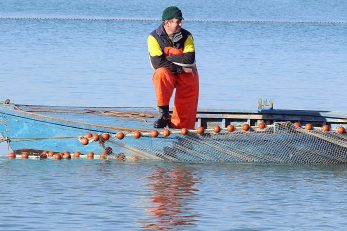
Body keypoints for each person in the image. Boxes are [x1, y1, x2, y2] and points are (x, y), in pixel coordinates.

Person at [147, 6, 199, 129]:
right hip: (175, 70)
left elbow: (189, 59)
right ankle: (164, 114)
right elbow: (157, 64)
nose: (180, 23)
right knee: (160, 73)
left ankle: (181, 130)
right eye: (177, 21)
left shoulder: (187, 36)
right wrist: (179, 68)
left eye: (181, 20)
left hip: (188, 72)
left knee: (186, 106)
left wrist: (167, 58)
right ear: (167, 22)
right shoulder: (153, 38)